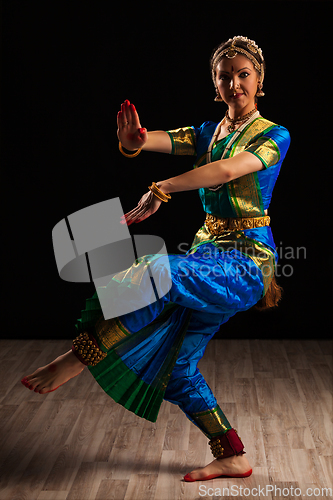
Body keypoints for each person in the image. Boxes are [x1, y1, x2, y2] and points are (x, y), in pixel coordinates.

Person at [21, 36, 290, 482]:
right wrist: (135, 142)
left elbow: (226, 170)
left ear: (260, 81)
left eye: (244, 74)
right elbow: (163, 139)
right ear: (215, 84)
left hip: (245, 263)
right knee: (178, 368)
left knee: (153, 270)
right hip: (208, 257)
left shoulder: (274, 135)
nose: (235, 83)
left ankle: (80, 355)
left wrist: (163, 187)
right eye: (225, 76)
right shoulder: (209, 133)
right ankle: (232, 454)